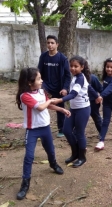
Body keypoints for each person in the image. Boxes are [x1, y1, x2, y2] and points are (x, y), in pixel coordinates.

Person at [15, 67, 71, 200]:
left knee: (51, 150)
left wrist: (61, 110)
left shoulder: (41, 92)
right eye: (39, 79)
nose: (42, 81)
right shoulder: (25, 96)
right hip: (32, 129)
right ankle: (25, 183)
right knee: (29, 156)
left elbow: (47, 105)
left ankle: (53, 164)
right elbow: (40, 107)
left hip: (45, 127)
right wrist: (51, 100)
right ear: (30, 82)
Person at [51, 56, 98, 167]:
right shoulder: (75, 77)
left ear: (82, 67)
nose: (73, 68)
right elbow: (89, 88)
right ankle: (75, 153)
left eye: (76, 66)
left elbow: (73, 94)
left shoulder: (80, 78)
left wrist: (59, 100)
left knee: (79, 133)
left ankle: (82, 157)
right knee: (66, 130)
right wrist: (97, 96)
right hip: (74, 109)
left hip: (83, 109)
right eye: (71, 66)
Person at [38, 35, 71, 138]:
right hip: (46, 86)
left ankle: (61, 129)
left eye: (52, 43)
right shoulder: (43, 56)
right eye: (48, 43)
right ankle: (40, 128)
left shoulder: (62, 58)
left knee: (60, 108)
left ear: (57, 44)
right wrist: (40, 85)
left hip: (59, 87)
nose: (50, 45)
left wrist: (65, 88)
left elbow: (67, 75)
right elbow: (39, 72)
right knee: (40, 105)